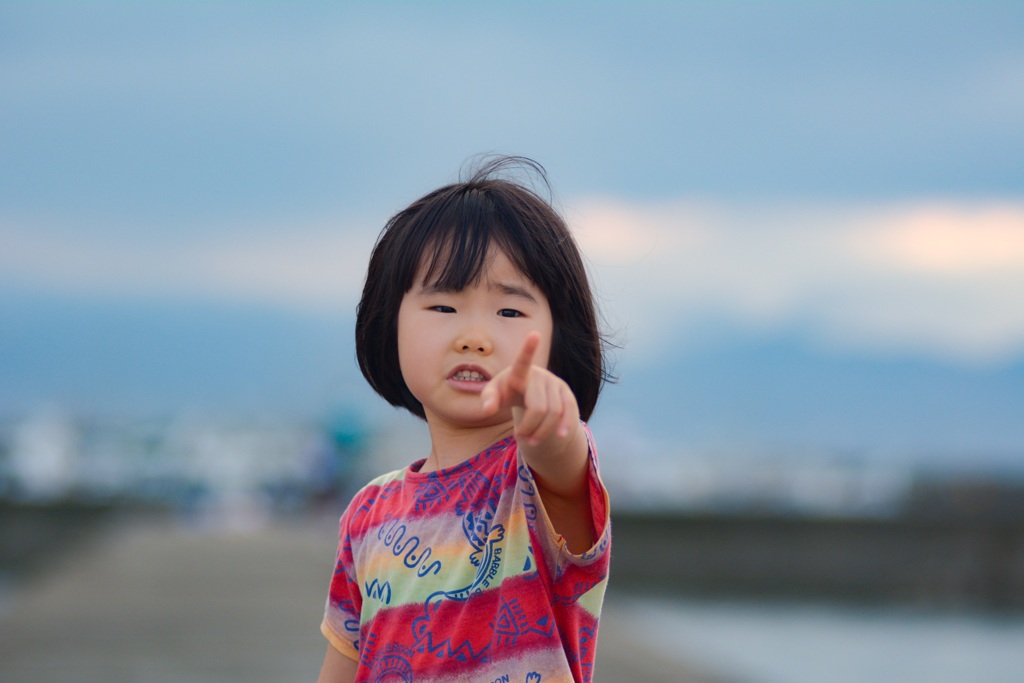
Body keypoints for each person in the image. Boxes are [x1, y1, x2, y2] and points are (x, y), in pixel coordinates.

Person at [318, 156, 613, 683]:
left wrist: (550, 422)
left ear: (556, 340)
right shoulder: (368, 513)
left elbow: (562, 464)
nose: (473, 336)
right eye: (443, 308)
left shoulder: (534, 485)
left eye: (509, 312)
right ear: (390, 324)